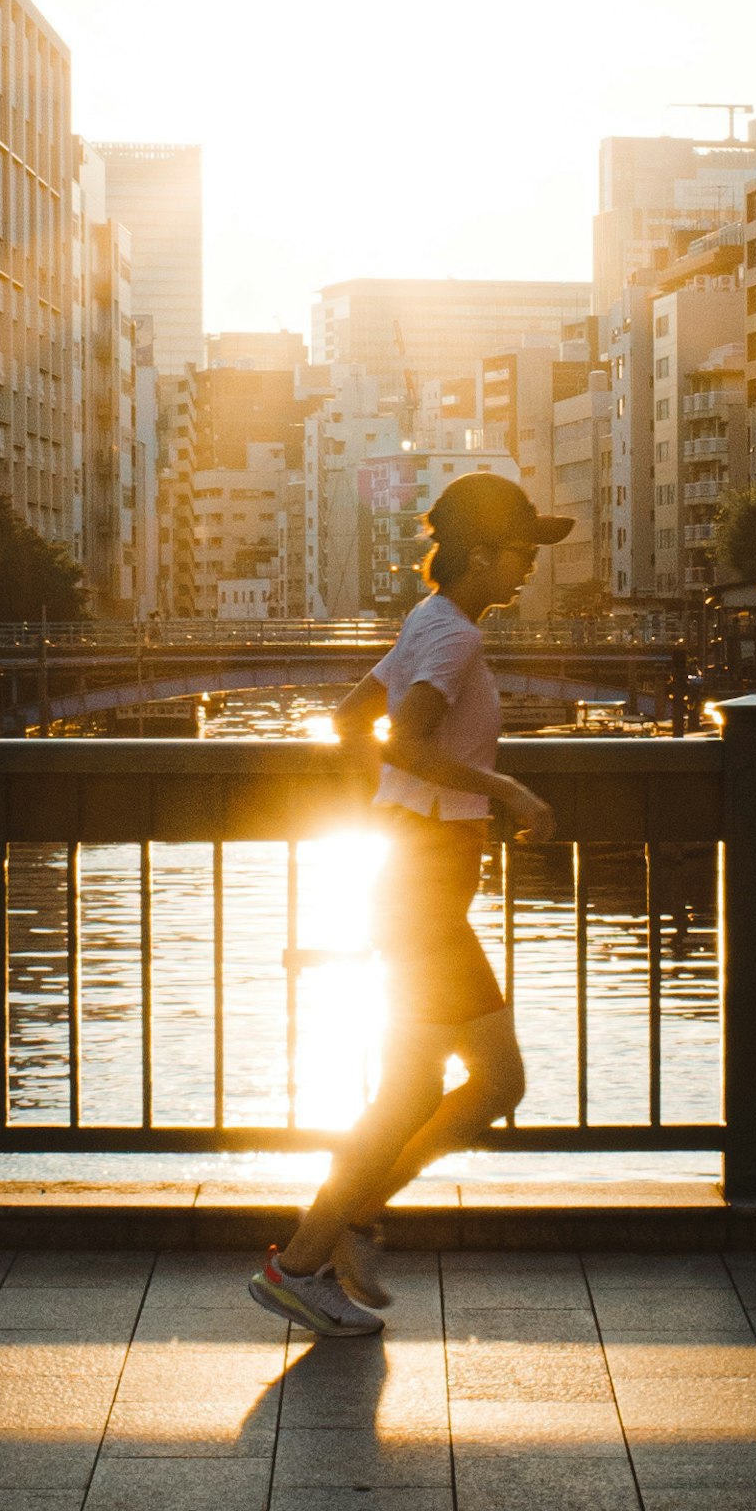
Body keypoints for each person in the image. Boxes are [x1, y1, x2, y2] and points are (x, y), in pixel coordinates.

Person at [251, 466, 569, 1341]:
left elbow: (354, 722)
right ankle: (308, 1255)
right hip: (425, 882)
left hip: (412, 875)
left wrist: (391, 808)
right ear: (477, 551)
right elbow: (405, 737)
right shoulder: (455, 637)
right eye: (519, 551)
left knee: (423, 1083)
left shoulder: (428, 622)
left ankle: (338, 1230)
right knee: (484, 1082)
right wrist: (504, 789)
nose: (529, 569)